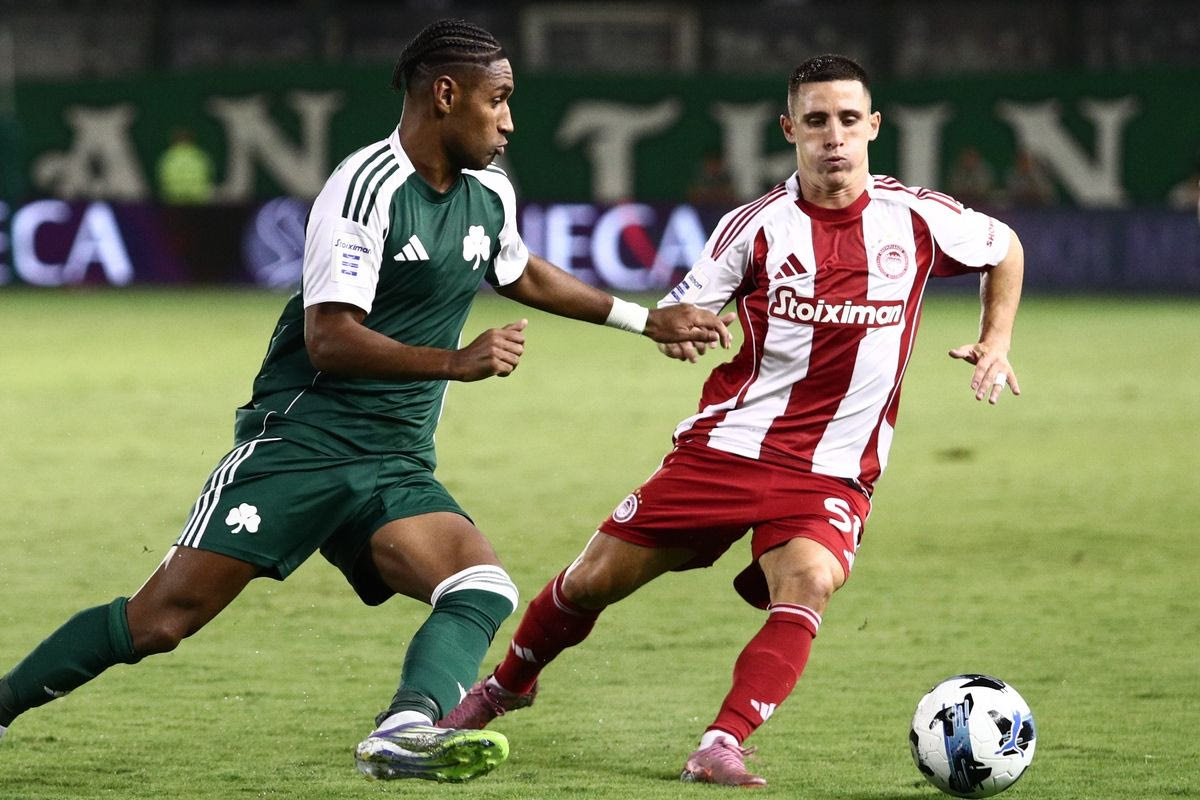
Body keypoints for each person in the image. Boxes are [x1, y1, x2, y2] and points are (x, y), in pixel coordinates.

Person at [0, 18, 731, 785]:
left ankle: (403, 730)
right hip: (302, 445)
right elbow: (330, 339)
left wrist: (644, 320)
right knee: (160, 621)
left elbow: (519, 271)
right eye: (498, 100)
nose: (510, 121)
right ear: (445, 95)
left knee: (480, 585)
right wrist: (455, 362)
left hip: (394, 460)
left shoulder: (488, 191)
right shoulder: (363, 189)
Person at [440, 53, 1025, 788]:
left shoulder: (916, 218)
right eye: (816, 121)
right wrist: (680, 328)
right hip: (727, 449)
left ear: (874, 126)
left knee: (808, 581)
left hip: (833, 470)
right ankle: (505, 687)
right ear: (789, 129)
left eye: (849, 120)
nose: (834, 136)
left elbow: (1004, 246)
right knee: (592, 582)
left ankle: (723, 743)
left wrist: (996, 340)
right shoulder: (756, 227)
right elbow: (686, 307)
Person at [156, 127, 215, 204]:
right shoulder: (200, 156)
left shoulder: (168, 157)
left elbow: (161, 176)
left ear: (173, 141)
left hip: (173, 197)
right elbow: (209, 174)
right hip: (198, 198)